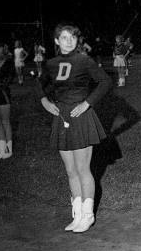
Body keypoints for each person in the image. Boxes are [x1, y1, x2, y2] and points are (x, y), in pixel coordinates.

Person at [36, 22, 112, 233]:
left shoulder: (84, 60)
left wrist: (87, 103)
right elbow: (39, 83)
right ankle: (77, 214)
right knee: (70, 171)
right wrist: (44, 100)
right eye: (64, 38)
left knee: (82, 169)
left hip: (80, 118)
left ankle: (88, 215)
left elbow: (105, 82)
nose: (68, 41)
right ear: (56, 41)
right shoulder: (51, 63)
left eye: (72, 37)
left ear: (77, 40)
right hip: (61, 117)